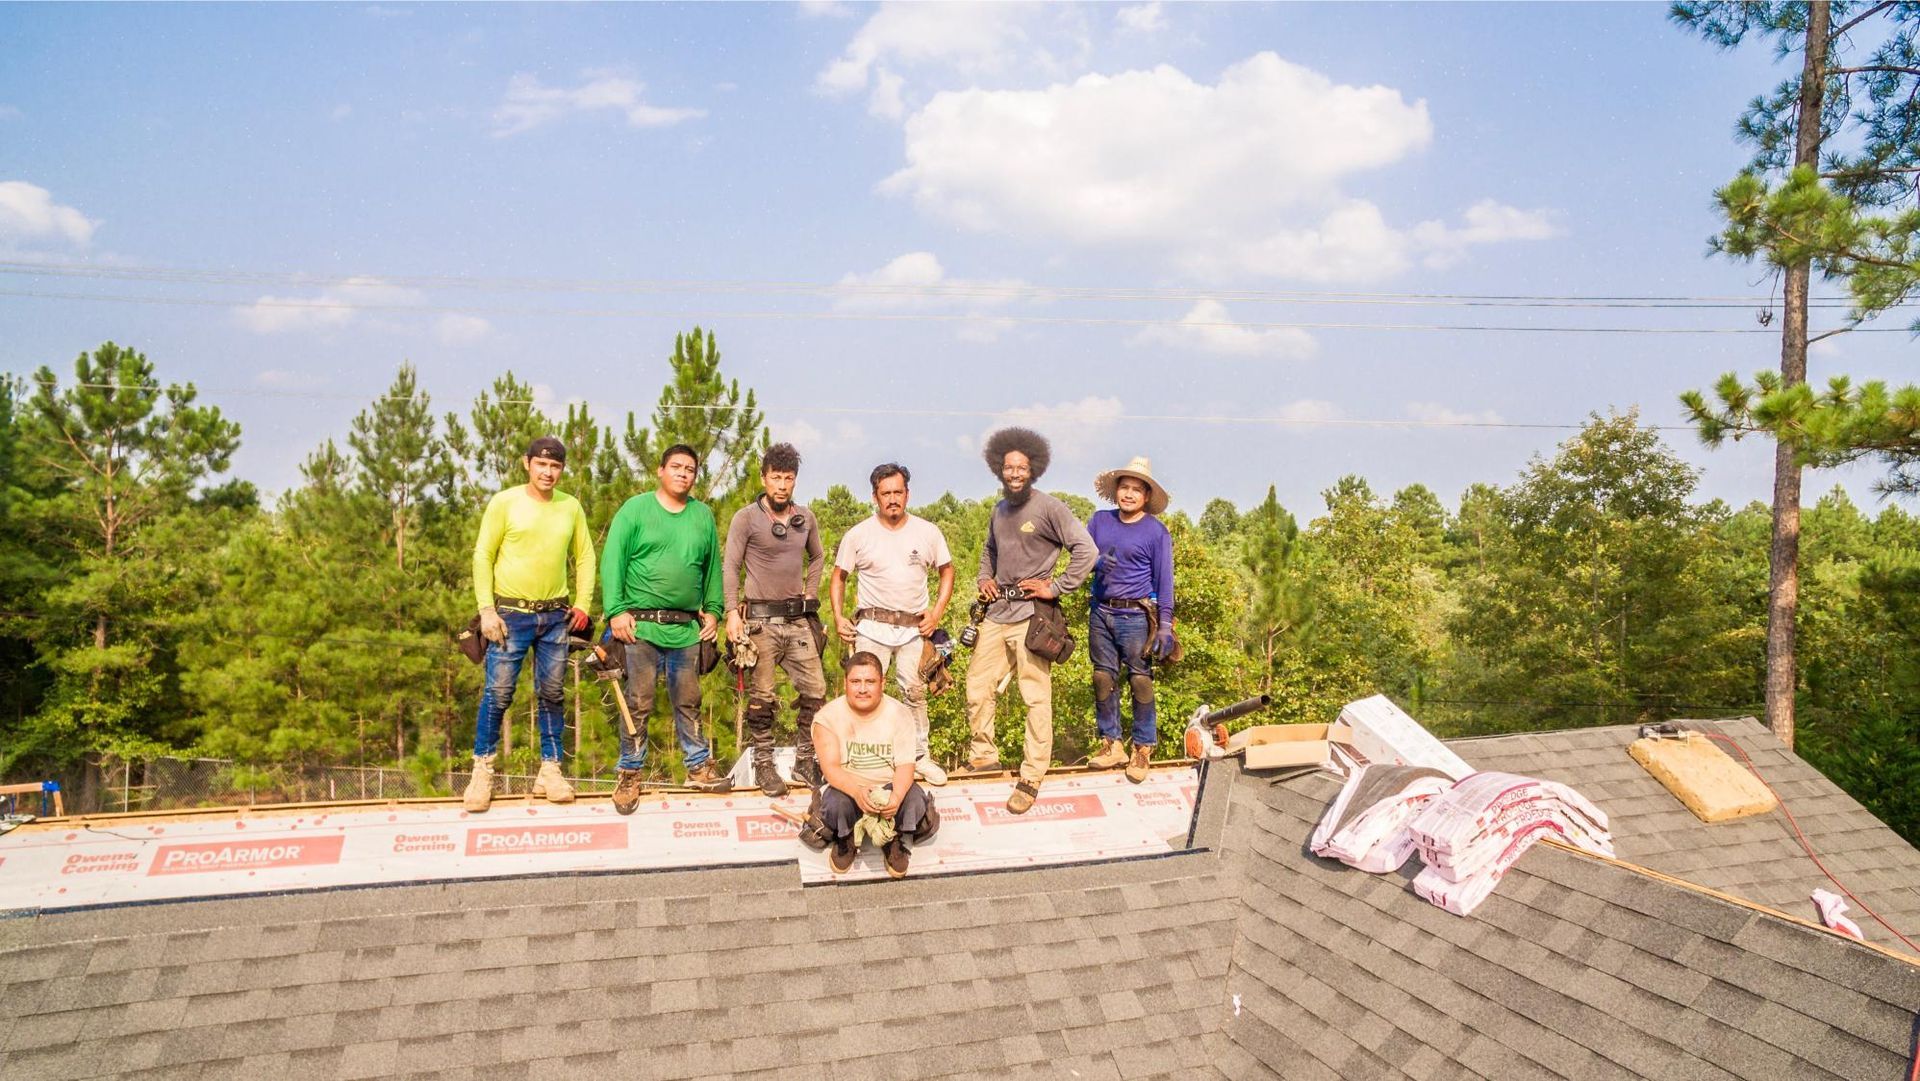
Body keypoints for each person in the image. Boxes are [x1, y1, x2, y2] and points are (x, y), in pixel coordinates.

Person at [965, 427, 1097, 815]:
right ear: (999, 470)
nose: (1015, 473)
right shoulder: (999, 510)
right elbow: (988, 551)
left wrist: (1056, 587)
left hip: (1031, 615)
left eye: (1022, 467)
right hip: (997, 612)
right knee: (977, 685)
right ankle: (983, 755)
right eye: (1009, 467)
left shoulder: (1050, 508)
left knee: (1034, 696)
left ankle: (1031, 776)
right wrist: (984, 580)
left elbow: (1086, 551)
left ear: (1034, 469)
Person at [466, 436, 595, 813]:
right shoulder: (504, 502)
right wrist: (486, 610)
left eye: (555, 466)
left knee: (552, 693)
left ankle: (550, 770)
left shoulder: (570, 506)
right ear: (527, 464)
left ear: (562, 470)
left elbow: (584, 557)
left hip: (556, 614)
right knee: (498, 693)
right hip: (510, 615)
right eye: (542, 464)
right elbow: (482, 555)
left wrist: (583, 605)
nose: (548, 472)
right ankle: (483, 769)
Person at [601, 443, 729, 810]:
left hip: (685, 629)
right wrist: (616, 610)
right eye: (676, 466)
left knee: (688, 701)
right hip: (639, 627)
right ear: (660, 470)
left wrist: (715, 611)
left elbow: (712, 569)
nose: (683, 474)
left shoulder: (701, 515)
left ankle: (698, 767)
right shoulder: (635, 510)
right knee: (637, 703)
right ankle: (629, 773)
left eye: (690, 469)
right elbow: (613, 561)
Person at [829, 462, 955, 787]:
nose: (893, 499)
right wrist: (840, 616)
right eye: (886, 493)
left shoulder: (927, 532)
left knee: (914, 693)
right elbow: (838, 577)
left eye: (898, 492)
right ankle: (863, 760)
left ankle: (919, 757)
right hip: (872, 627)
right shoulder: (858, 534)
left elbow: (947, 570)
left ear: (908, 494)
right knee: (866, 691)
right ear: (875, 496)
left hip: (914, 628)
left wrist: (938, 611)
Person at [723, 442, 828, 797]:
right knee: (762, 695)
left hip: (797, 620)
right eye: (775, 478)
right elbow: (731, 566)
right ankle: (764, 763)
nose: (782, 485)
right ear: (764, 478)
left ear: (795, 480)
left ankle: (805, 758)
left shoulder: (806, 518)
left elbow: (818, 557)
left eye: (788, 478)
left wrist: (810, 594)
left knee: (816, 690)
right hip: (760, 620)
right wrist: (731, 613)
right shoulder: (746, 518)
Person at [1086, 456, 1177, 784]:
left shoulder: (1156, 532)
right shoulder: (1099, 521)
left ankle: (1143, 747)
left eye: (1136, 490)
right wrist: (1096, 564)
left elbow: (1164, 580)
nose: (1128, 494)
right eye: (1124, 487)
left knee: (1141, 680)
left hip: (1136, 616)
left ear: (1146, 496)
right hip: (1101, 611)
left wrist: (1165, 624)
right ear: (1116, 491)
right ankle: (1111, 743)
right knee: (1102, 678)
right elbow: (1081, 558)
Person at [812, 651, 939, 879]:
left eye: (870, 682)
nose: (862, 689)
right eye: (855, 682)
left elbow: (905, 766)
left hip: (888, 786)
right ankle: (845, 838)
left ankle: (893, 839)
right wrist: (857, 792)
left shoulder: (900, 713)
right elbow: (831, 769)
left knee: (915, 802)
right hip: (848, 788)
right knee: (835, 807)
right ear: (845, 683)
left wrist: (897, 797)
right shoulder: (827, 717)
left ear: (883, 683)